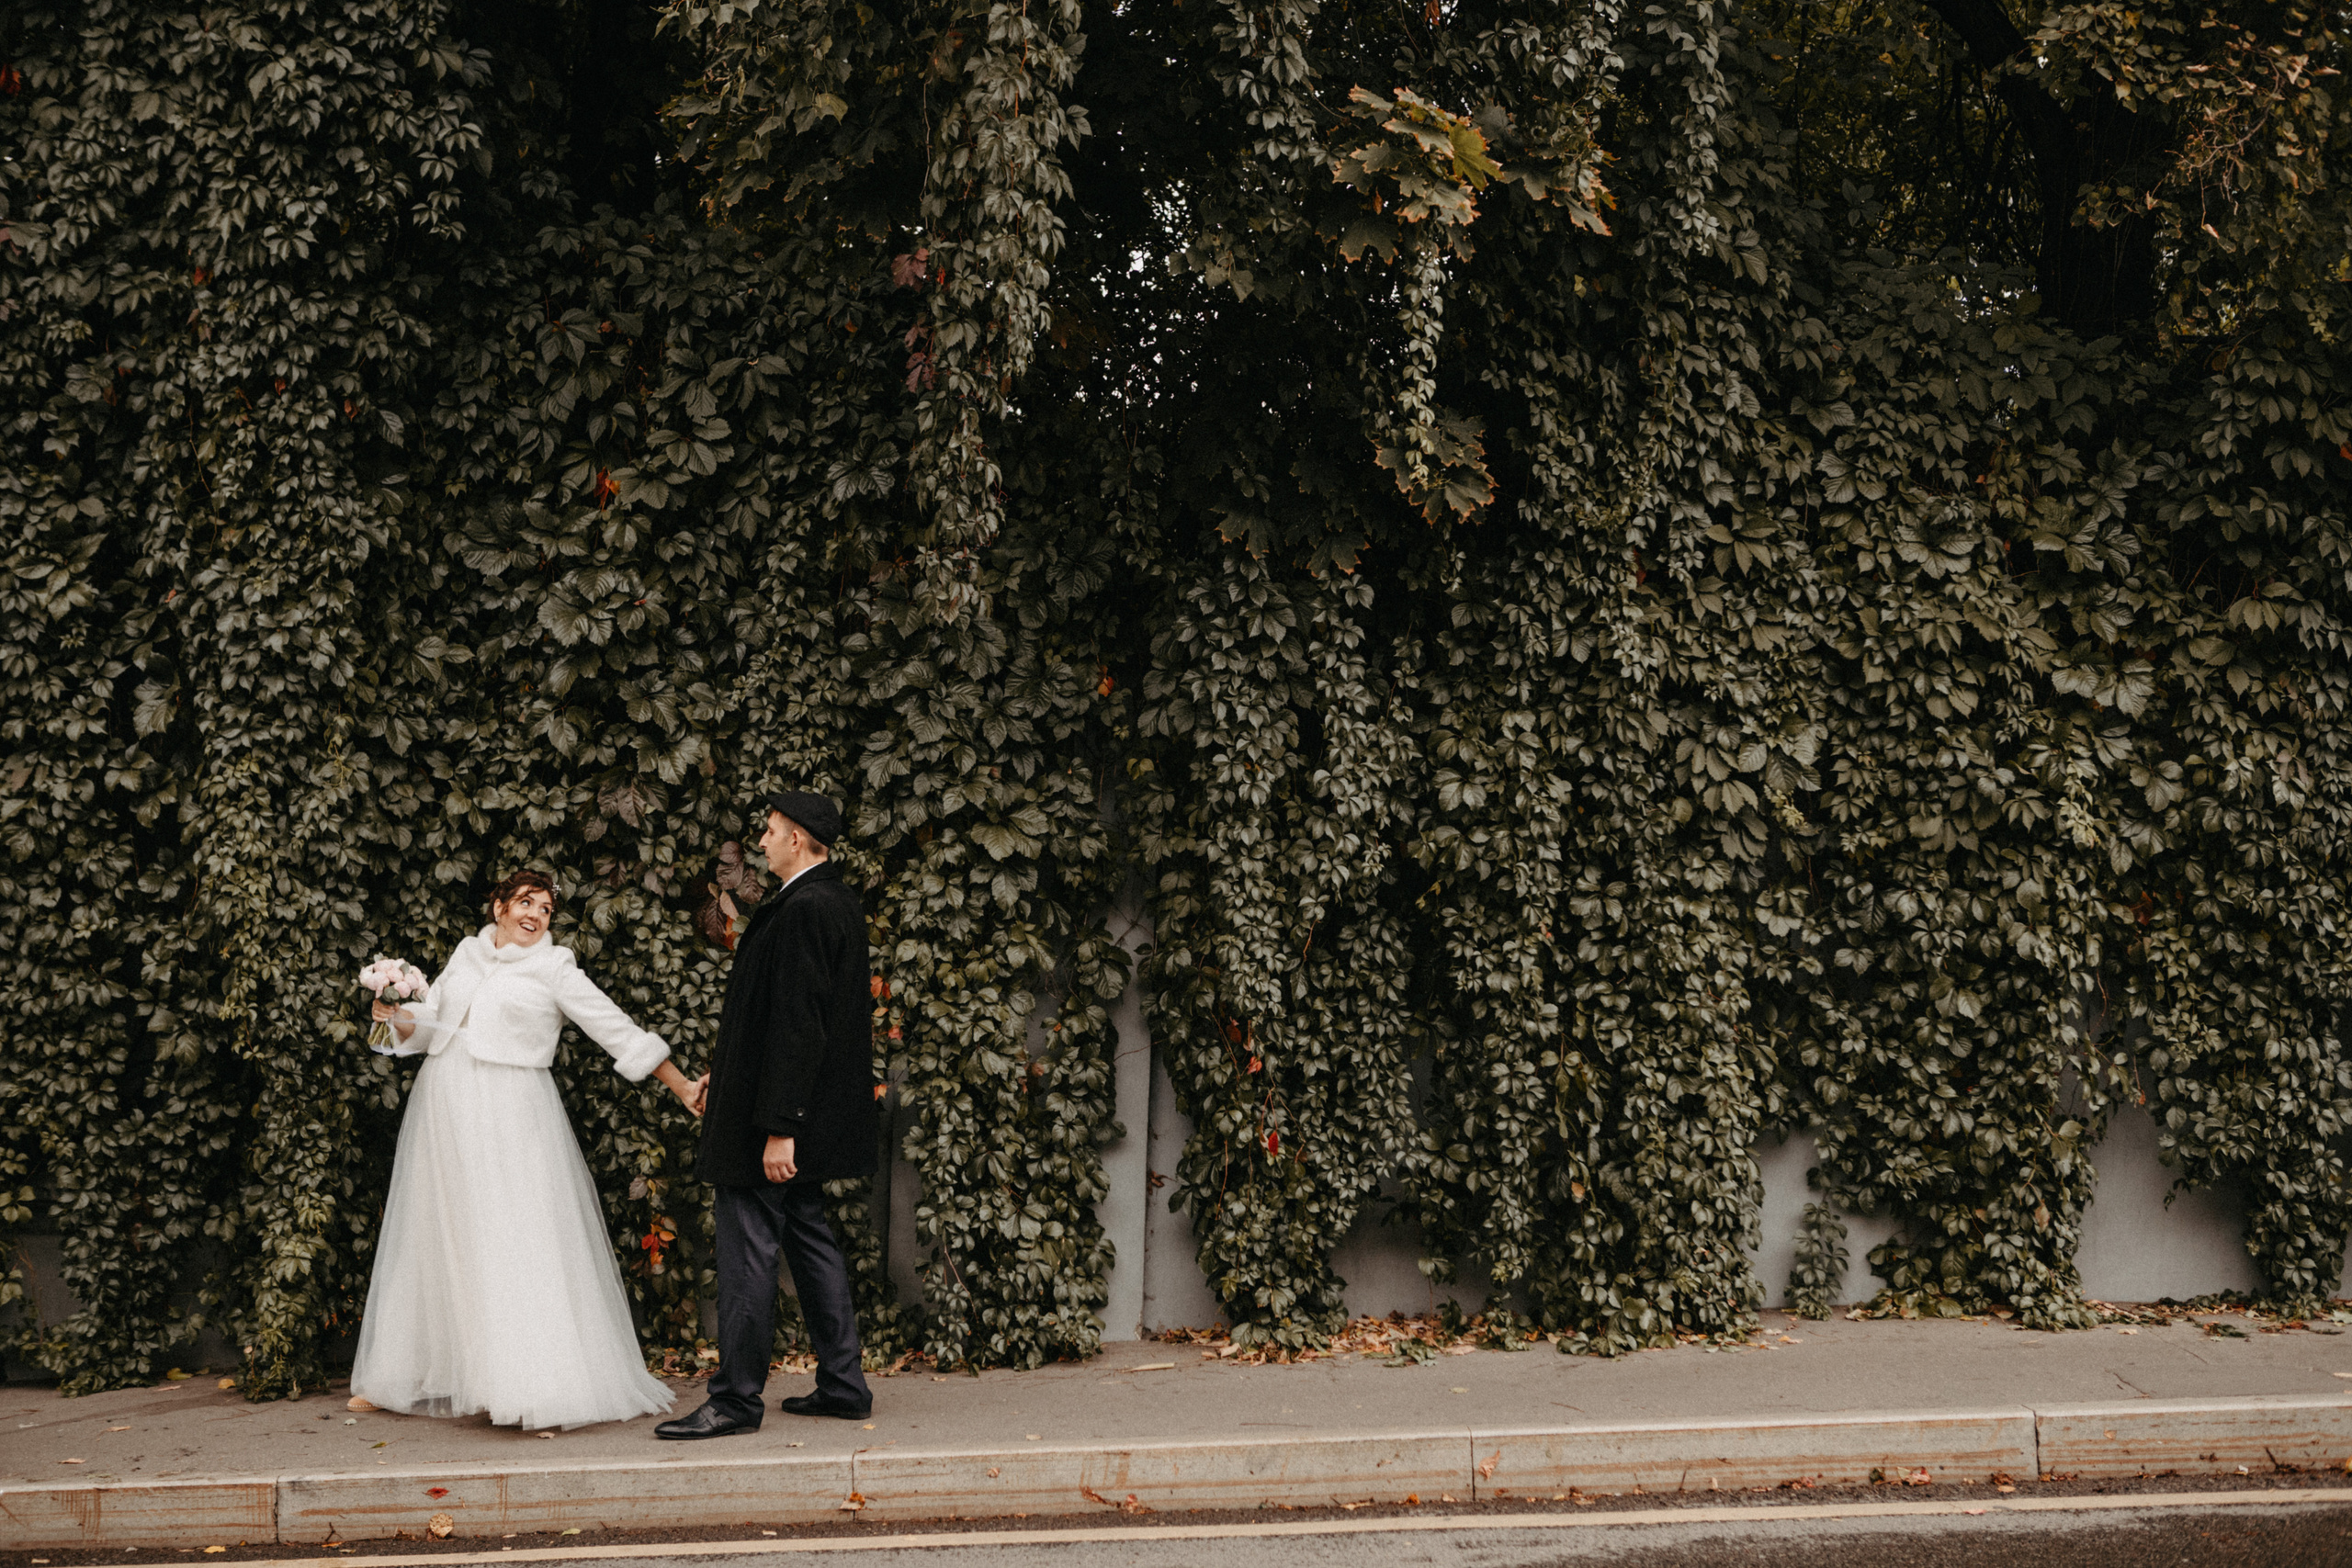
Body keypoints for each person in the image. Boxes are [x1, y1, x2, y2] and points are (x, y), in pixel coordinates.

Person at [350, 869, 707, 1430]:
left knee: (513, 1237)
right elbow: (428, 1026)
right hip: (443, 1106)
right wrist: (395, 1016)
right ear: (498, 908)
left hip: (512, 1112)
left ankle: (523, 1382)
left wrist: (682, 1084)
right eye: (524, 902)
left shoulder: (555, 968)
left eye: (544, 907)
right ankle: (401, 1374)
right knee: (436, 1231)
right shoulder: (465, 955)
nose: (535, 914)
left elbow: (615, 1028)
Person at [657, 790, 876, 1439]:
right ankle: (843, 1384)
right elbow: (768, 1021)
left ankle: (734, 1400)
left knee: (748, 1255)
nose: (761, 840)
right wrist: (724, 1079)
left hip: (772, 1125)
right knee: (808, 1239)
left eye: (772, 830)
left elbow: (798, 1027)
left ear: (801, 839)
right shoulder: (823, 900)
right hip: (785, 1112)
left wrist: (781, 1126)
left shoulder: (807, 907)